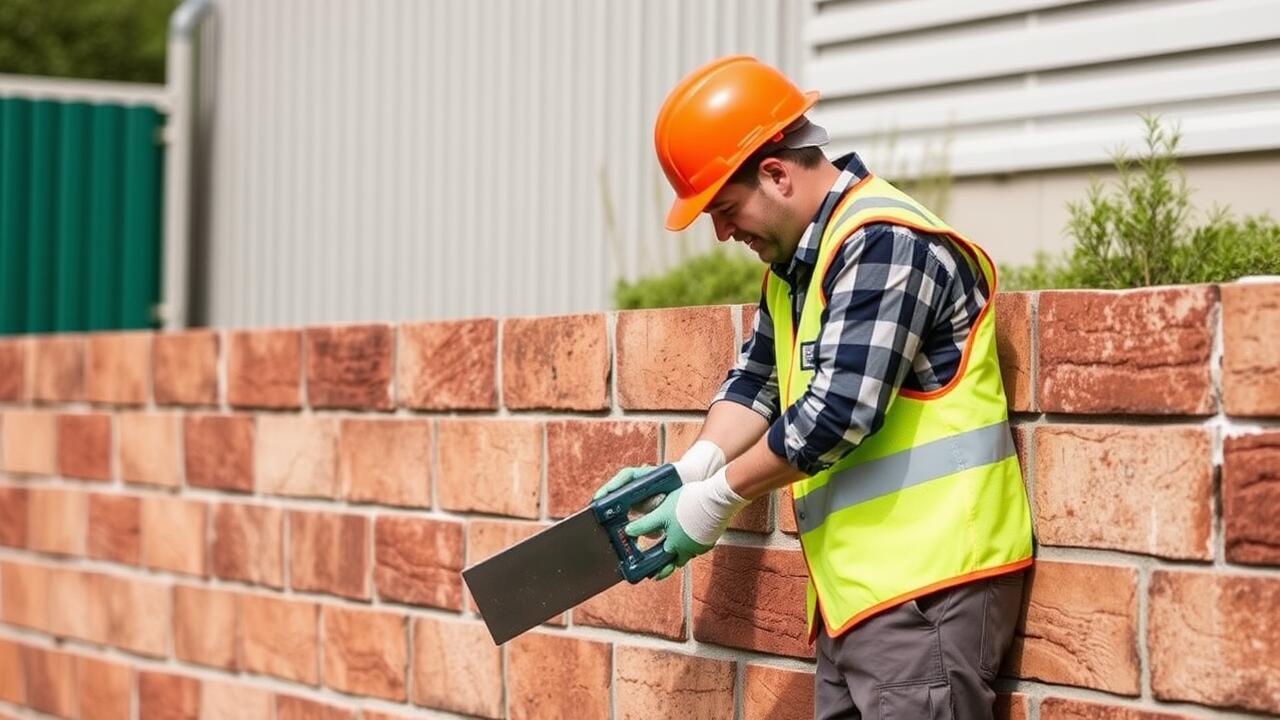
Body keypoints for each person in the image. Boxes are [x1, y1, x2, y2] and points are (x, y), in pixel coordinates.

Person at [596, 55, 1034, 719]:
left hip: (929, 592)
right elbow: (755, 383)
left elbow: (836, 415)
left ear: (776, 174)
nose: (720, 232)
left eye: (724, 208)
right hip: (862, 598)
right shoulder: (796, 268)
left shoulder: (884, 241)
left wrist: (714, 499)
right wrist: (691, 470)